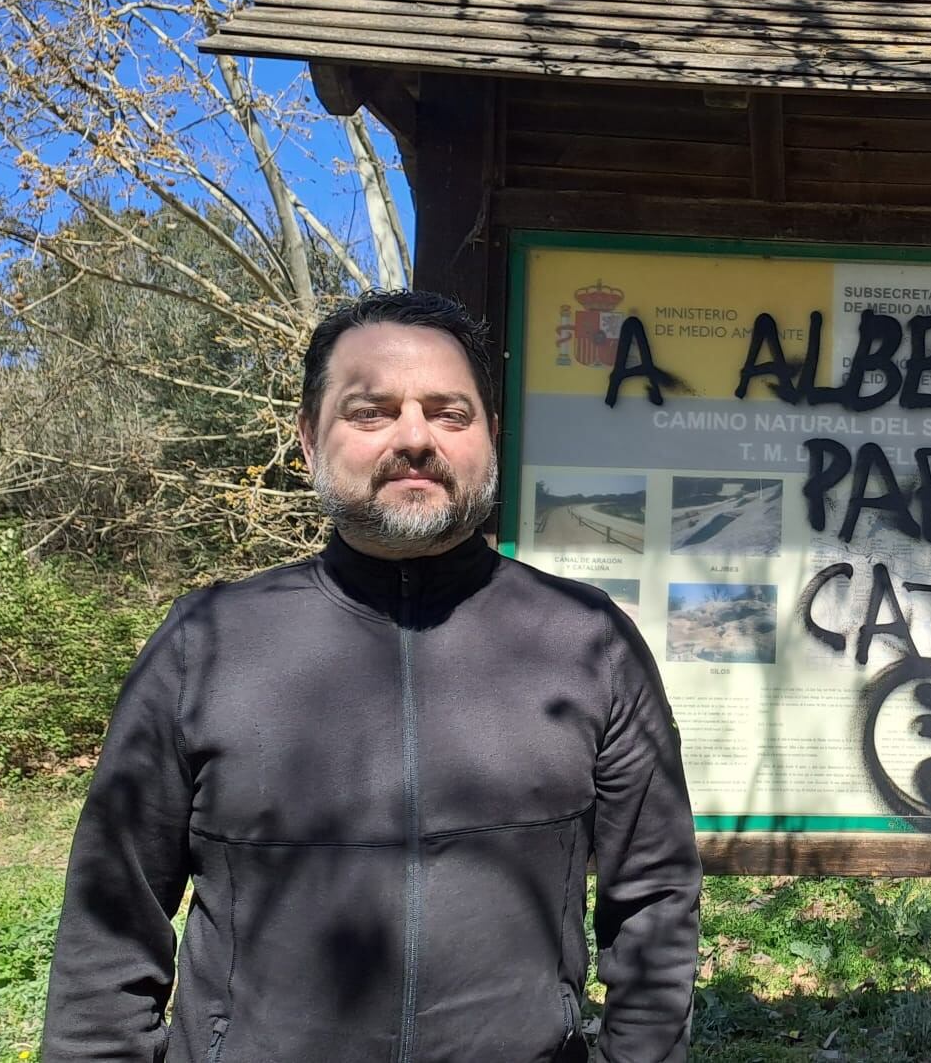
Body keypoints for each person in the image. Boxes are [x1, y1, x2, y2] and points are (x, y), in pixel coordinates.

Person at [42, 291, 702, 1063]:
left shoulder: (586, 640)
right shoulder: (207, 644)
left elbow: (656, 898)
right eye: (371, 412)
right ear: (308, 437)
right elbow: (111, 925)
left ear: (491, 435)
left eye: (449, 413)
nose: (415, 437)